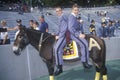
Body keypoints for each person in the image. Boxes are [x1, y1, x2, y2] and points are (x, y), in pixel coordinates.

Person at [68, 4, 92, 69]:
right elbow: (70, 28)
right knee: (84, 44)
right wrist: (79, 34)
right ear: (72, 10)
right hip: (73, 34)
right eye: (75, 10)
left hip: (75, 33)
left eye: (77, 10)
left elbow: (75, 25)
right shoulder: (71, 17)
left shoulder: (75, 17)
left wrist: (79, 23)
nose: (76, 11)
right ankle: (84, 62)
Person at [54, 6, 68, 76]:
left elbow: (64, 28)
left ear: (61, 10)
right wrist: (55, 34)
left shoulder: (63, 17)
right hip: (62, 34)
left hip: (65, 35)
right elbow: (59, 28)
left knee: (57, 49)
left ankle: (59, 67)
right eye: (56, 11)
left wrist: (59, 36)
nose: (58, 12)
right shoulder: (60, 17)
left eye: (59, 10)